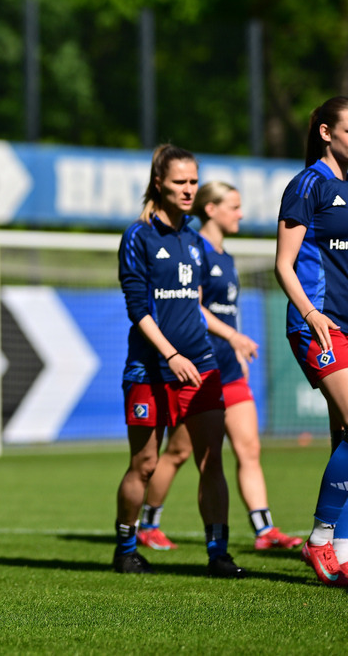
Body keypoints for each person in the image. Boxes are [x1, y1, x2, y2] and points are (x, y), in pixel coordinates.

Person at [135, 181, 301, 552]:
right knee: (178, 453)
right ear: (211, 209)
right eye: (234, 206)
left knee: (249, 449)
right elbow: (192, 307)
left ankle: (264, 530)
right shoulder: (195, 250)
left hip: (229, 367)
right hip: (200, 368)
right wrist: (233, 338)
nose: (241, 213)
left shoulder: (226, 257)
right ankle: (148, 523)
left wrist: (237, 347)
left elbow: (227, 312)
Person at [113, 143, 254, 578]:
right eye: (180, 182)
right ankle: (125, 547)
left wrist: (228, 337)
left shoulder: (194, 240)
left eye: (194, 181)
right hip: (150, 369)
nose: (189, 189)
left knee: (212, 459)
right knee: (146, 464)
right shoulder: (138, 236)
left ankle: (218, 552)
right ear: (159, 183)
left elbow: (194, 305)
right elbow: (138, 309)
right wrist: (169, 354)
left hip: (201, 365)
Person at [275, 96, 348, 586]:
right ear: (327, 132)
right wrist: (310, 312)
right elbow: (283, 264)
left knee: (343, 437)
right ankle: (321, 539)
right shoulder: (308, 185)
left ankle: (340, 550)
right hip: (319, 326)